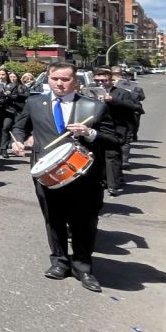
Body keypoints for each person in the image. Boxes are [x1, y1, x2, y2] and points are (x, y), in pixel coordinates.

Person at [10, 60, 118, 292]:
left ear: (75, 81)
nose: (59, 83)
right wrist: (17, 141)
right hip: (47, 171)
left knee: (85, 221)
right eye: (55, 78)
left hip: (84, 174)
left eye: (65, 79)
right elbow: (20, 127)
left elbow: (113, 139)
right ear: (48, 79)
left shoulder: (93, 107)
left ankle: (82, 265)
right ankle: (59, 261)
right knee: (54, 218)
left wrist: (89, 132)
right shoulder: (35, 102)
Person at [92, 68, 141, 196]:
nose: (100, 83)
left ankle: (113, 185)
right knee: (98, 156)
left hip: (116, 129)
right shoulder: (90, 92)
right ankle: (105, 180)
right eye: (97, 80)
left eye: (104, 80)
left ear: (111, 80)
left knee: (112, 155)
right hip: (97, 128)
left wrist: (112, 100)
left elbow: (136, 107)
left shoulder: (122, 93)